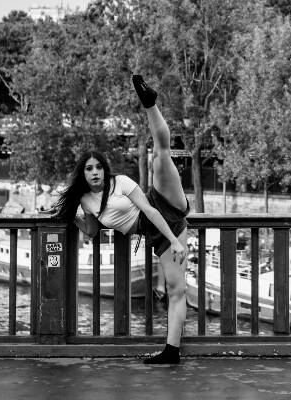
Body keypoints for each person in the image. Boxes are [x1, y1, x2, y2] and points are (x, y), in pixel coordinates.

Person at [55, 75, 189, 365]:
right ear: (83, 173)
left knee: (160, 157)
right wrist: (73, 218)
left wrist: (176, 241)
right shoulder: (85, 201)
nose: (95, 173)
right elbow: (91, 230)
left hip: (164, 210)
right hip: (153, 233)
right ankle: (172, 353)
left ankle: (149, 103)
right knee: (177, 291)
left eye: (99, 168)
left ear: (105, 170)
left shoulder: (122, 182)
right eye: (89, 169)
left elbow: (151, 212)